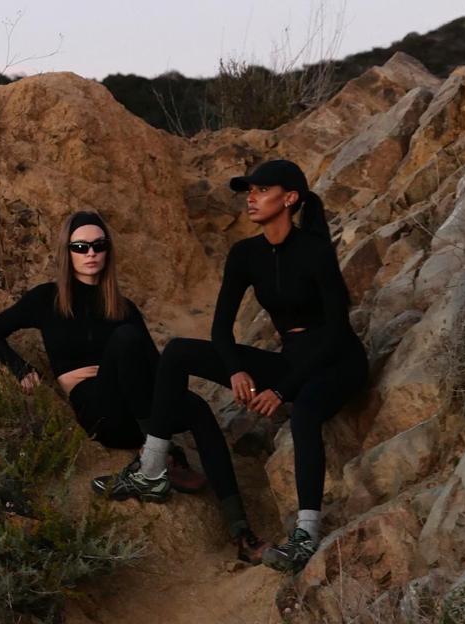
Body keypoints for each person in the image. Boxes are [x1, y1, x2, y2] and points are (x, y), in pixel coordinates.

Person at [96, 160, 369, 573]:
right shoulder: (245, 255)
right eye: (249, 191)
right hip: (292, 358)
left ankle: (306, 537)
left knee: (307, 410)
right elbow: (221, 329)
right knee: (179, 351)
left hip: (337, 361)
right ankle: (152, 469)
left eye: (261, 190)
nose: (251, 198)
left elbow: (336, 331)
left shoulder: (315, 251)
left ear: (290, 198)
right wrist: (236, 370)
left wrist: (282, 390)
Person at [0, 210, 206, 492]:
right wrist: (22, 369)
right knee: (125, 340)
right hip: (100, 414)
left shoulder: (124, 308)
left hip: (131, 407)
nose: (91, 253)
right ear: (67, 252)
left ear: (108, 251)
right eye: (80, 247)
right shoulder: (45, 299)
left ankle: (239, 526)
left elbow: (155, 368)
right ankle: (156, 454)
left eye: (99, 245)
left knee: (197, 406)